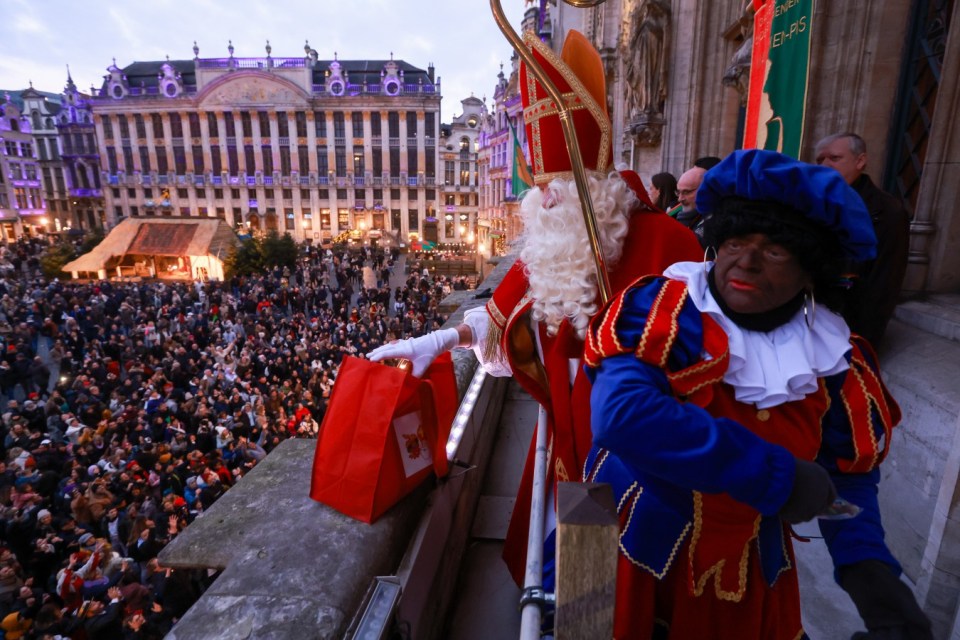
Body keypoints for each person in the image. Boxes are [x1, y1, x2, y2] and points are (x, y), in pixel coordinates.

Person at [369, 30, 702, 593]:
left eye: (551, 186)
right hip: (570, 449)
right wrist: (442, 341)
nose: (539, 199)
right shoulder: (557, 237)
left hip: (641, 454)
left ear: (588, 188)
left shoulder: (671, 244)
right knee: (575, 588)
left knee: (632, 589)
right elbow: (499, 329)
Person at [582, 149, 931, 639]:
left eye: (774, 250)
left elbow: (844, 480)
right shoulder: (661, 307)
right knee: (584, 625)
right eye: (734, 241)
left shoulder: (836, 357)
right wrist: (777, 477)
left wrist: (869, 573)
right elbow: (622, 416)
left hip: (749, 561)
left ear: (811, 270)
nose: (745, 261)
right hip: (616, 528)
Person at [815, 132, 910, 346]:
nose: (825, 165)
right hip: (810, 319)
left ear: (860, 161)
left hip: (848, 325)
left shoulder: (887, 212)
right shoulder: (812, 202)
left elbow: (884, 283)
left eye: (834, 158)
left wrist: (862, 342)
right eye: (820, 160)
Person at [674, 166, 707, 239]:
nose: (680, 199)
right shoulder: (674, 215)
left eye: (686, 192)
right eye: (678, 192)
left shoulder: (716, 220)